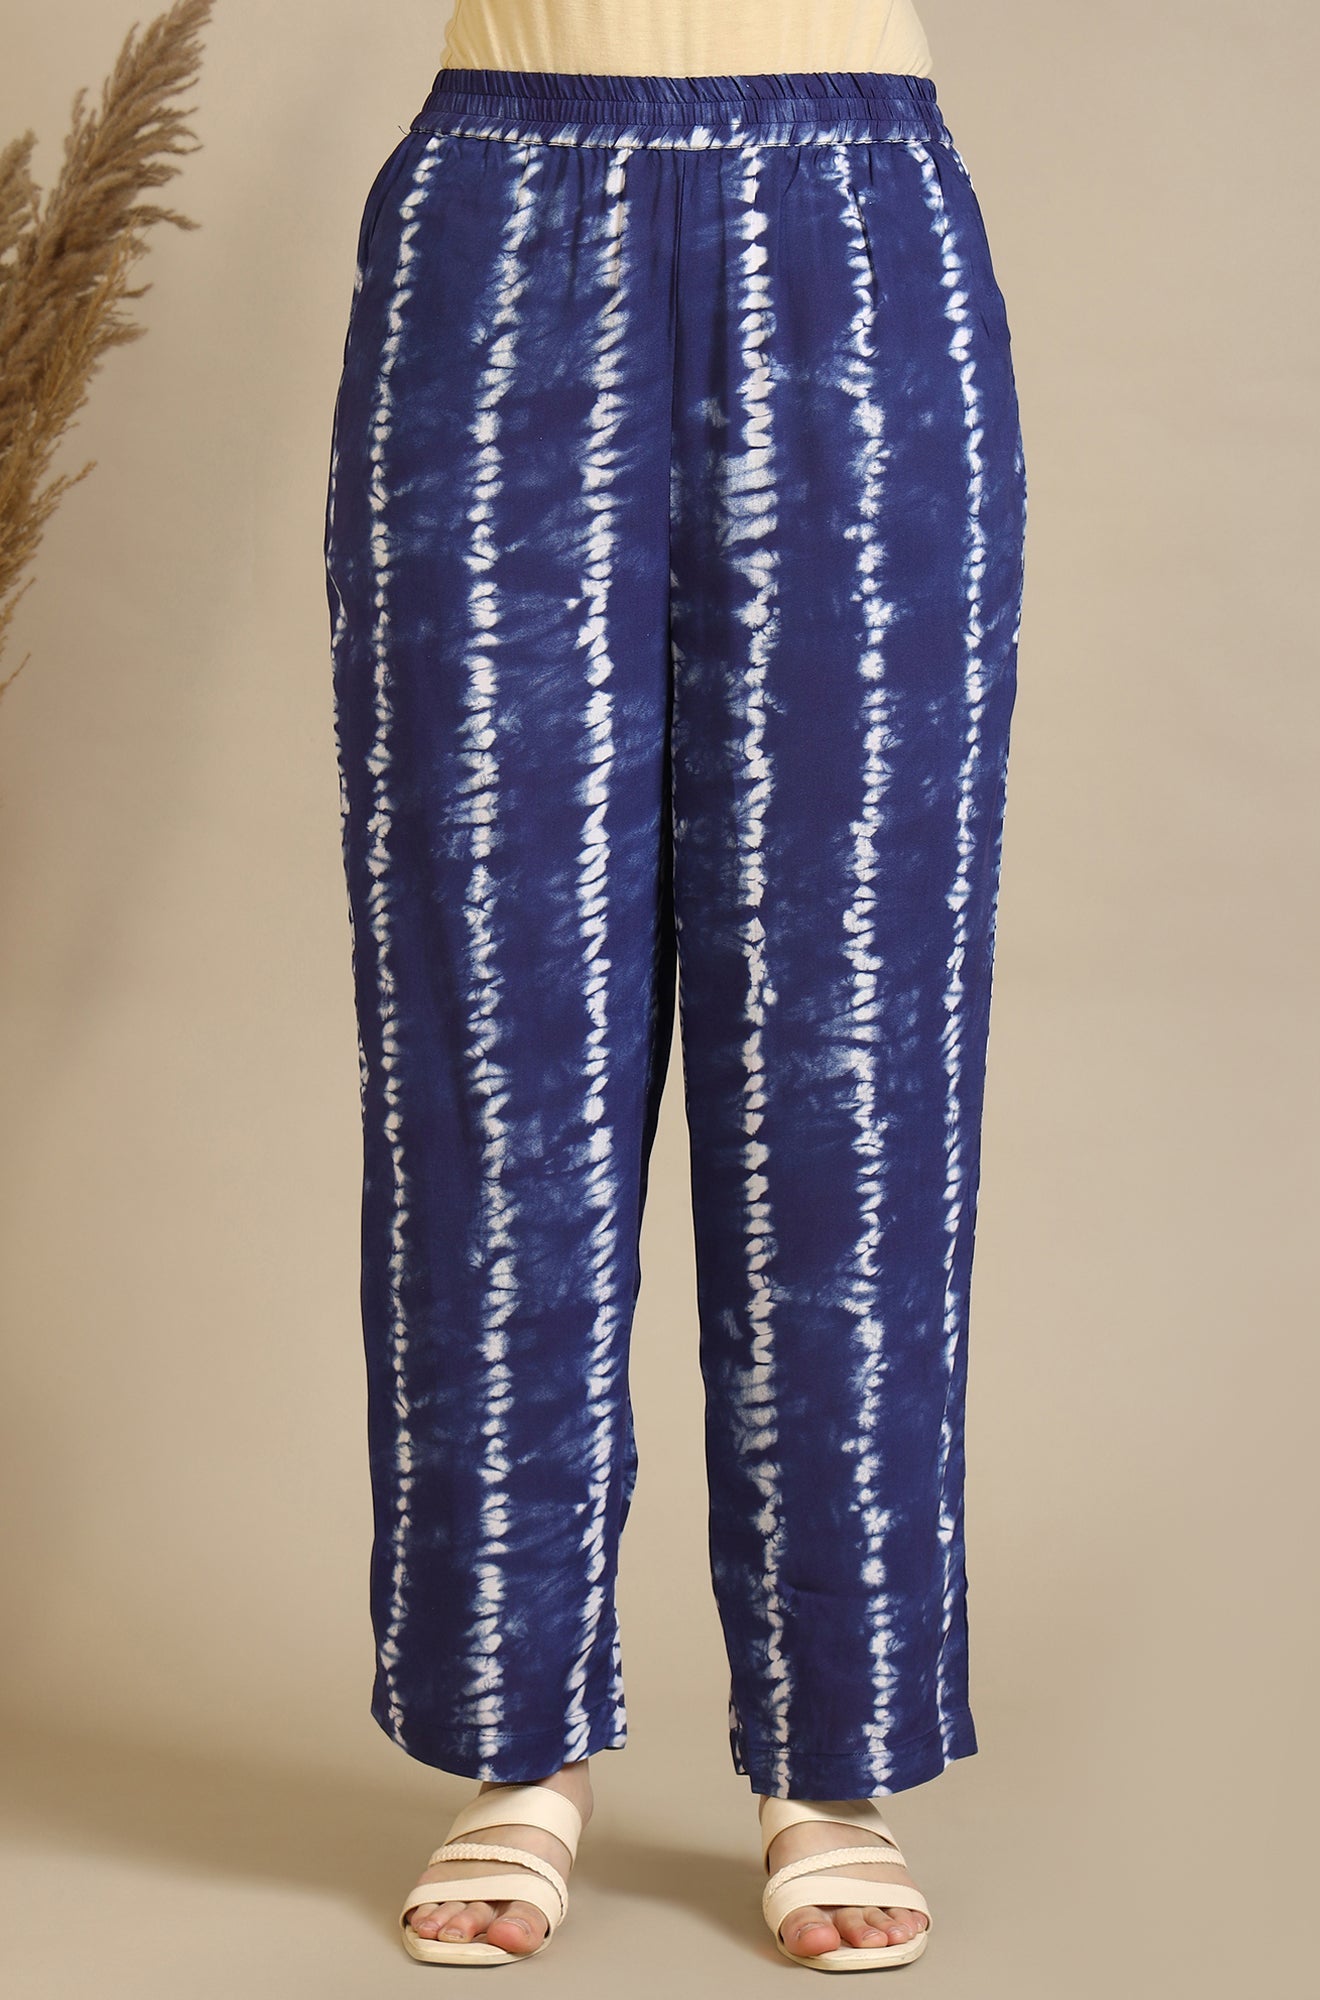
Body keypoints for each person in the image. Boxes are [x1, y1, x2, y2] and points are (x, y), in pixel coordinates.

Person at [324, 0, 1026, 1970]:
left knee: (855, 1041)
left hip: (859, 231)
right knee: (490, 1034)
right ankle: (514, 1734)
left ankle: (833, 1757)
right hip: (500, 219)